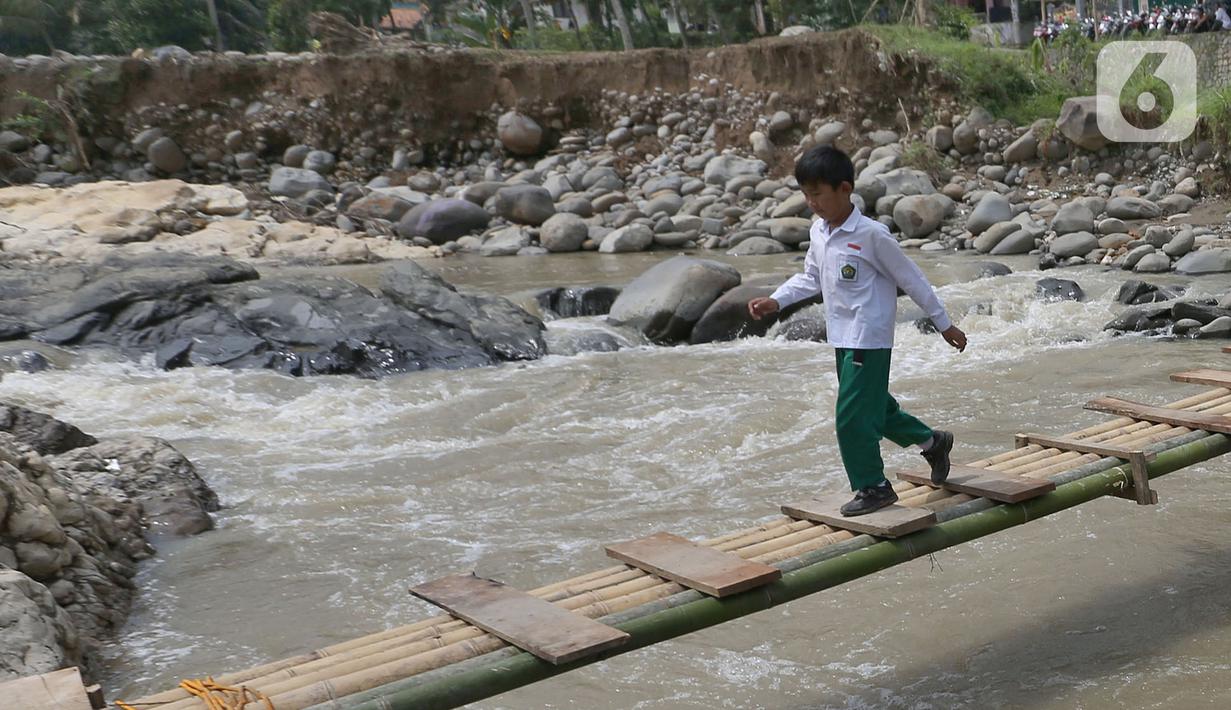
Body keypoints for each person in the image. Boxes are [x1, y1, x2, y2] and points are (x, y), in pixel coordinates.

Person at [748, 146, 968, 517]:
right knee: (875, 409)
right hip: (842, 336)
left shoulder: (871, 235)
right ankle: (933, 442)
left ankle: (874, 486)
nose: (811, 202)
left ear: (845, 189)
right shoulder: (820, 232)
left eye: (818, 193)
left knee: (850, 417)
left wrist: (944, 323)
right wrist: (776, 300)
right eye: (806, 194)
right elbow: (811, 278)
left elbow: (911, 279)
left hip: (870, 336)